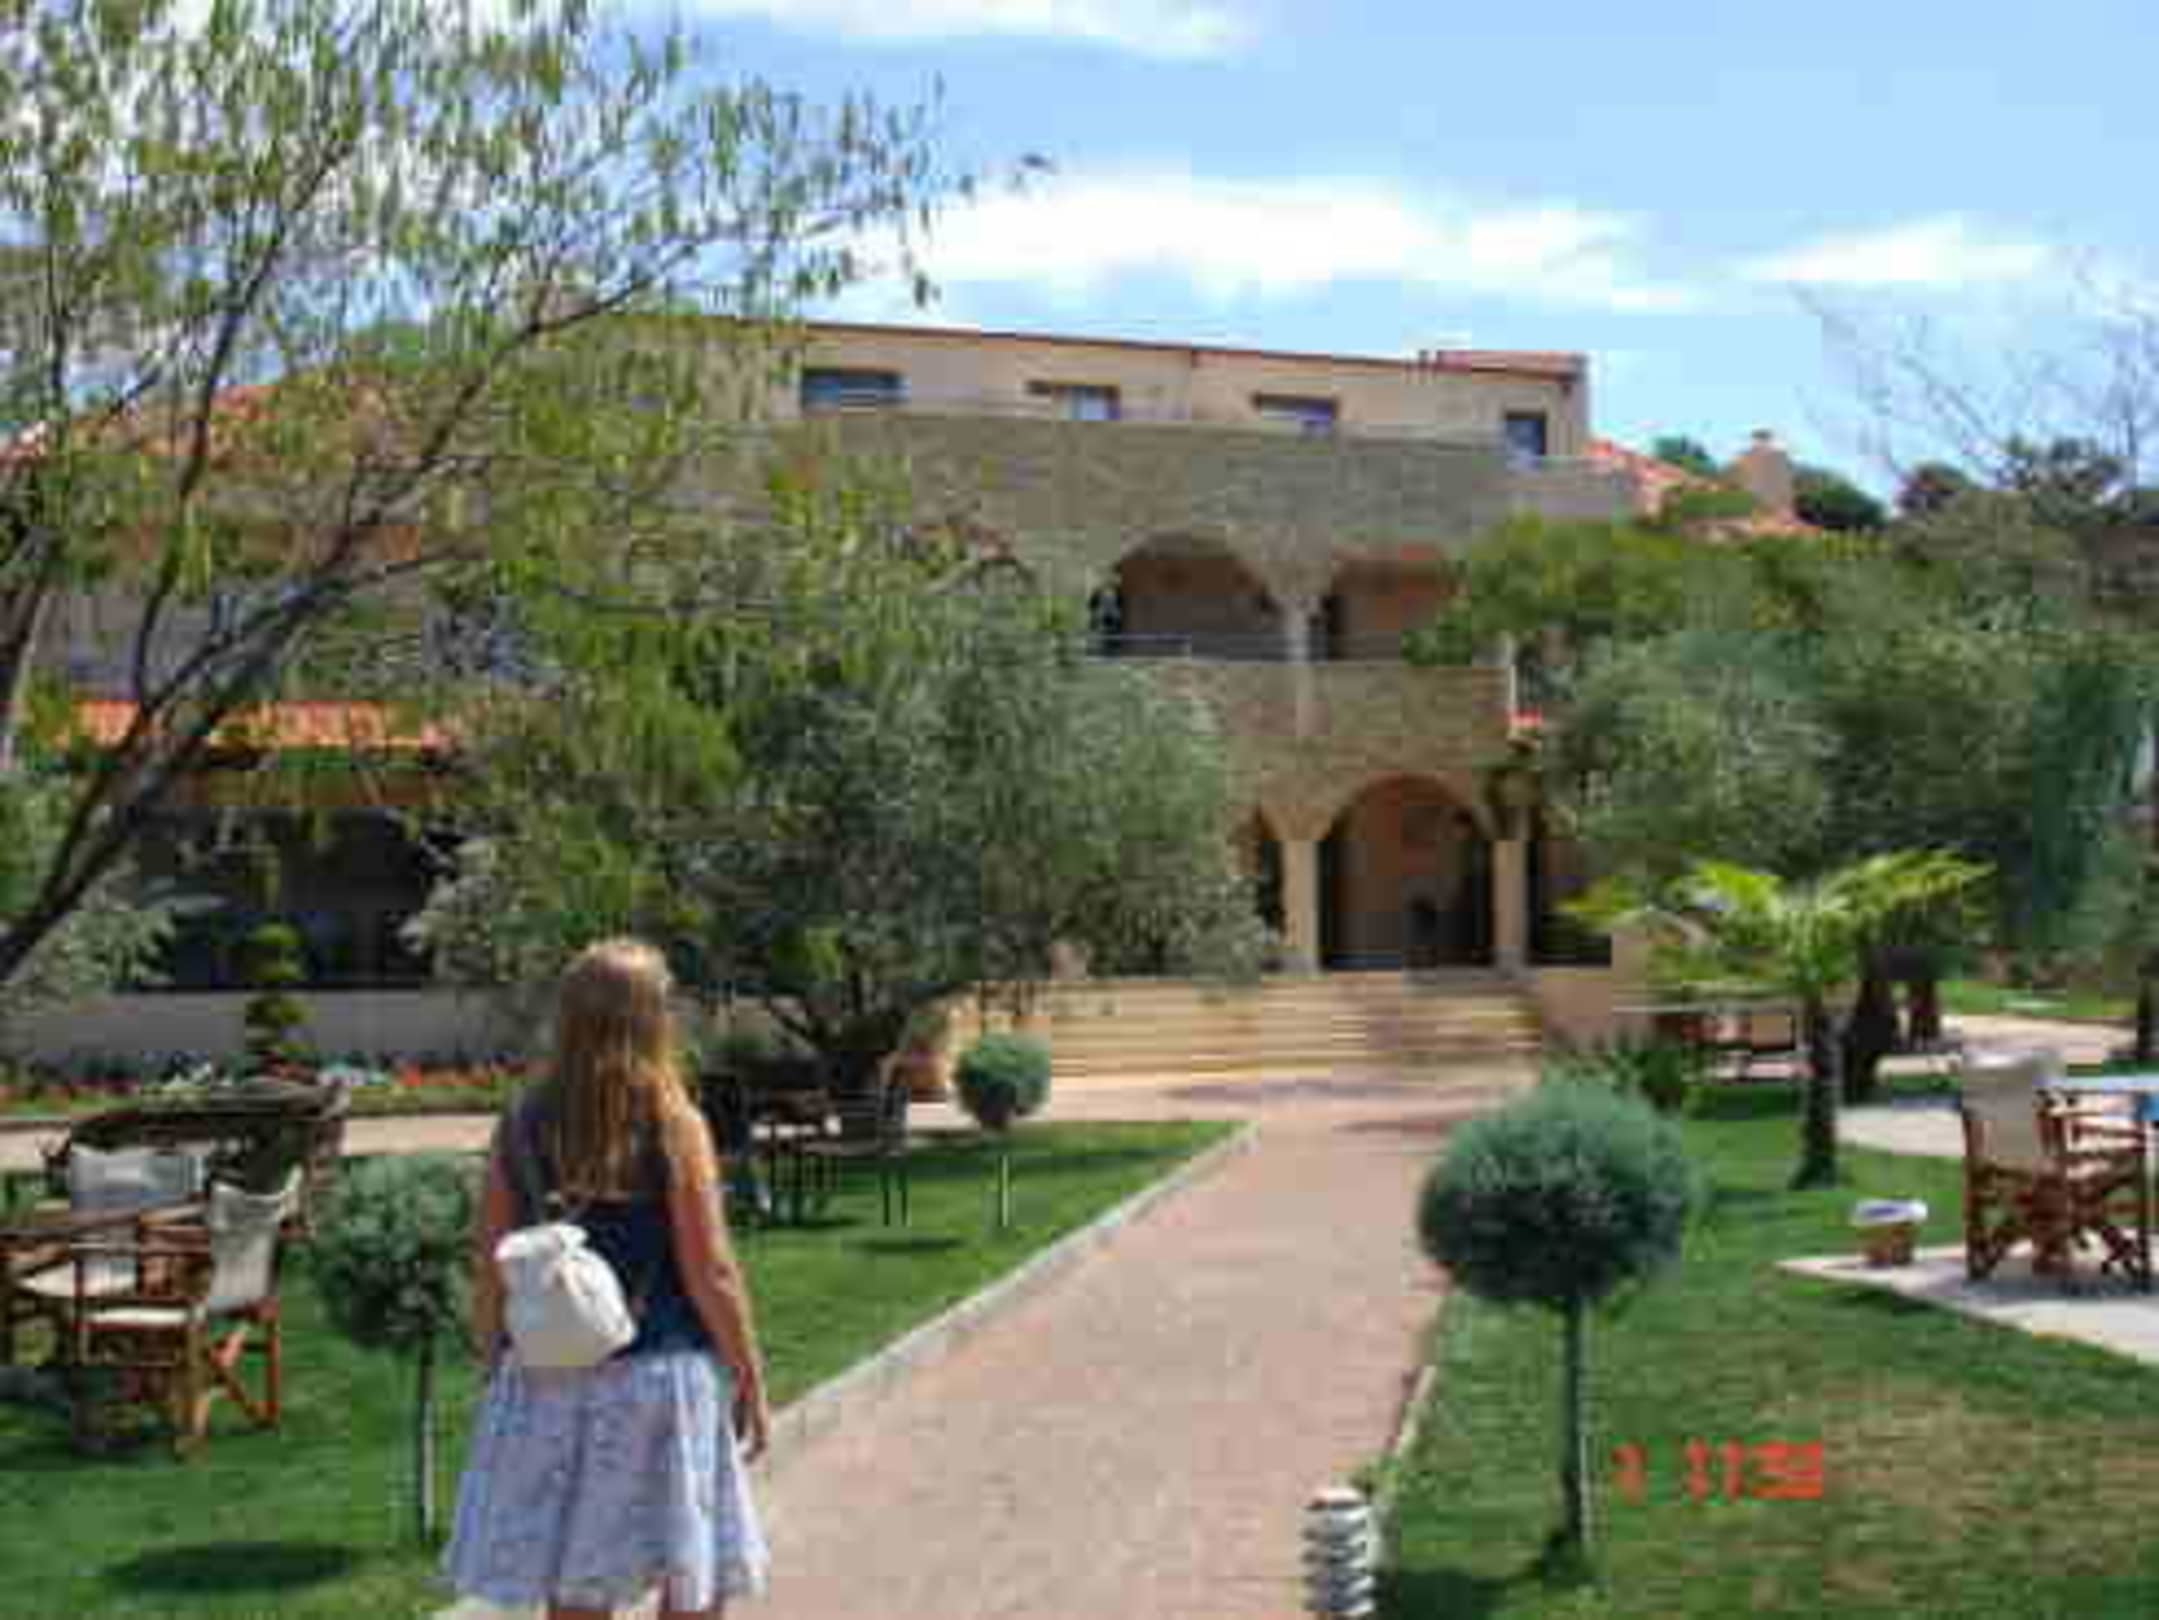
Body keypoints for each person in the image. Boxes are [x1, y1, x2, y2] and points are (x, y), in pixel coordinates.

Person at [445, 939, 772, 1619]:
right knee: (690, 1576)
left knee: (577, 1586)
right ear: (652, 1018)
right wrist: (749, 1374)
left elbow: (491, 1260)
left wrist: (493, 1362)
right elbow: (710, 1268)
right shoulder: (673, 1123)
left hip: (550, 1379)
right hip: (660, 1375)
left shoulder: (522, 1122)